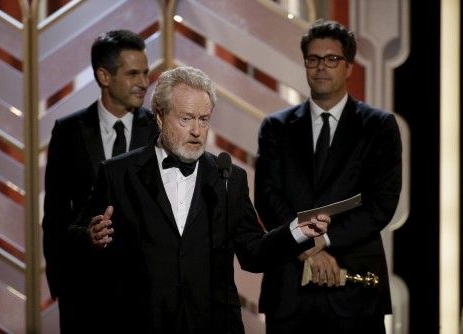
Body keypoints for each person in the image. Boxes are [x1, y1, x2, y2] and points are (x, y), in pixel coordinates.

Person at [68, 65, 330, 334]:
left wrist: (296, 231)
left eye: (203, 120)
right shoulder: (117, 174)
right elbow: (72, 238)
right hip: (141, 322)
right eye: (186, 119)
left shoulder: (229, 178)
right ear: (159, 117)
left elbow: (253, 253)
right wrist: (90, 237)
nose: (197, 130)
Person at [254, 19, 402, 334]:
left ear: (348, 67)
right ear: (305, 63)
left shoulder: (379, 126)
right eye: (313, 59)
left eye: (331, 59)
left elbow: (381, 204)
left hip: (355, 288)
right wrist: (306, 247)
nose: (321, 67)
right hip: (290, 291)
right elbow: (267, 199)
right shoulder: (275, 128)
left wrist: (324, 240)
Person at [42, 29, 159, 332]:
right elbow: (55, 216)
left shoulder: (158, 132)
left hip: (146, 295)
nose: (144, 83)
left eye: (146, 72)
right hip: (85, 294)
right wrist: (62, 286)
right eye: (133, 74)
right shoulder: (68, 132)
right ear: (104, 76)